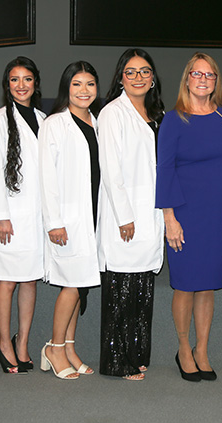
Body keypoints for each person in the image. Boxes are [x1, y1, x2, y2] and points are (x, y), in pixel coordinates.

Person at [156, 53, 222, 382]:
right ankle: (184, 348)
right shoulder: (174, 119)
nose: (203, 79)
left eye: (209, 74)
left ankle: (203, 348)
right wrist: (169, 218)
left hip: (217, 213)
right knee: (186, 285)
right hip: (185, 213)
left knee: (208, 287)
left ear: (216, 80)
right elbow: (164, 170)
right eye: (196, 74)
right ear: (187, 78)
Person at [97, 48, 165, 381]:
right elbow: (110, 170)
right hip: (124, 214)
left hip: (150, 210)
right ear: (120, 77)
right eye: (131, 72)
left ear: (153, 77)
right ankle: (115, 360)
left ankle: (137, 354)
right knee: (121, 290)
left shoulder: (157, 112)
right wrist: (125, 216)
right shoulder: (113, 113)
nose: (138, 77)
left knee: (142, 287)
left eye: (144, 71)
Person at [38, 61, 102, 380]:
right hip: (68, 219)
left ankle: (70, 348)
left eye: (90, 84)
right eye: (77, 84)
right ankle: (54, 347)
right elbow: (46, 176)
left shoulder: (97, 121)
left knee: (80, 283)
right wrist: (54, 221)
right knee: (73, 284)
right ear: (67, 88)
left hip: (93, 215)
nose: (84, 90)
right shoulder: (54, 124)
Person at [0, 56, 45, 374]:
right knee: (7, 281)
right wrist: (2, 216)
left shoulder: (44, 118)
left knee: (30, 281)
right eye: (14, 80)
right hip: (11, 215)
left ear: (36, 83)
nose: (21, 85)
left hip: (37, 215)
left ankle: (23, 343)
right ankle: (4, 342)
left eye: (27, 79)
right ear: (7, 85)